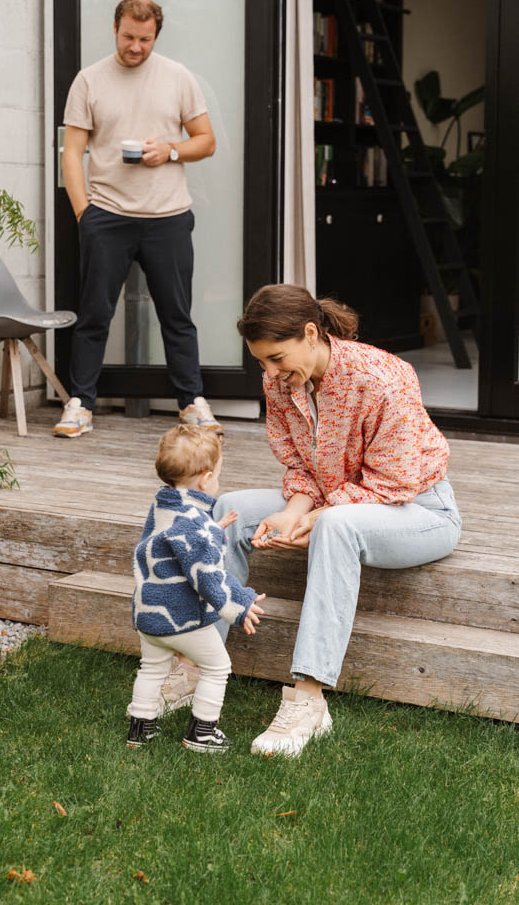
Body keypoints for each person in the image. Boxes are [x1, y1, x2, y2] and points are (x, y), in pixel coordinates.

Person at [160, 283, 462, 758]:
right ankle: (196, 666)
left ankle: (309, 700)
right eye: (261, 362)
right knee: (229, 509)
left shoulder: (383, 377)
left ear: (310, 333)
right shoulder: (282, 380)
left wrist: (318, 517)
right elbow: (301, 466)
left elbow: (395, 481)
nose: (270, 372)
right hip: (337, 498)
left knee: (337, 527)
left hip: (420, 510)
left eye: (276, 358)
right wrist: (292, 512)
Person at [55, 0, 221, 439]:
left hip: (169, 216)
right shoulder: (89, 80)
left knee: (177, 315)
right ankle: (80, 404)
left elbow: (206, 141)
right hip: (107, 215)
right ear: (115, 28)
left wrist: (169, 151)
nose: (135, 46)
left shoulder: (178, 77)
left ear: (156, 36)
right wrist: (84, 212)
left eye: (145, 39)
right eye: (128, 36)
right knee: (94, 314)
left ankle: (191, 402)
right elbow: (72, 152)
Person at [127, 425, 265, 753]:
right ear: (206, 479)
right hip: (181, 618)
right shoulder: (195, 524)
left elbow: (173, 543)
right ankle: (201, 733)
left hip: (149, 614)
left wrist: (211, 530)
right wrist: (240, 604)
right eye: (218, 473)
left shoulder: (163, 505)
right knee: (217, 667)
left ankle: (140, 730)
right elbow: (207, 576)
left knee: (152, 668)